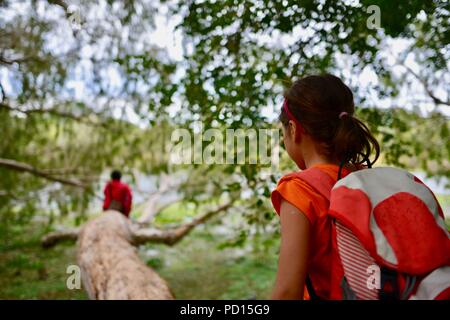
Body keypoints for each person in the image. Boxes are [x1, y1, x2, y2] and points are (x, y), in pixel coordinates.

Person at [270, 74, 380, 300]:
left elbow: (287, 293)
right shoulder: (366, 178)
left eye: (283, 134)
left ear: (293, 129)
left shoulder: (300, 189)